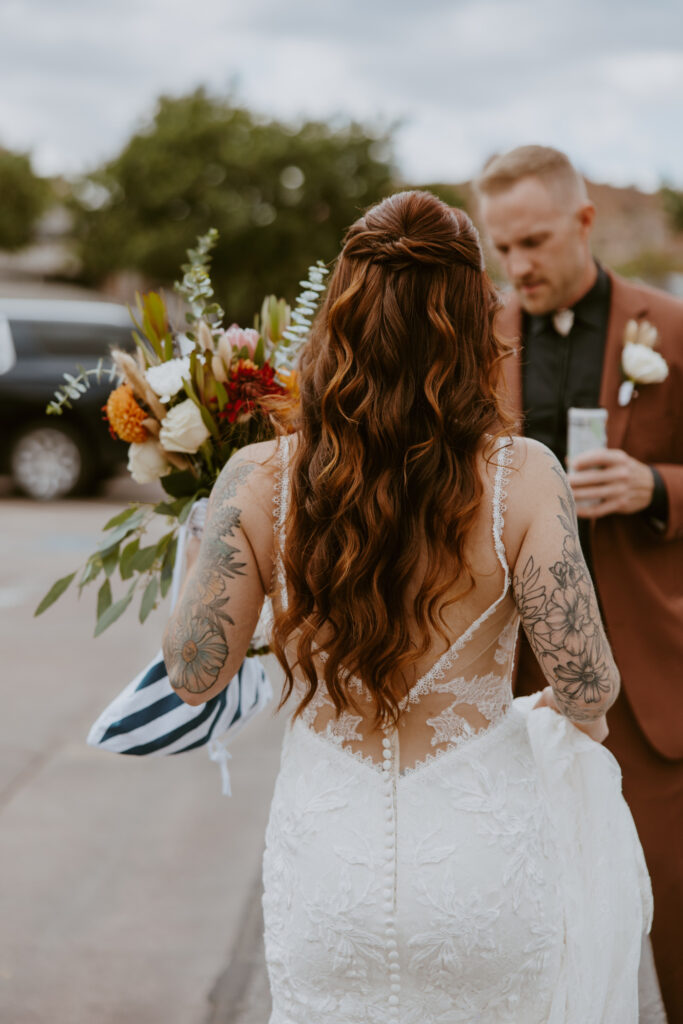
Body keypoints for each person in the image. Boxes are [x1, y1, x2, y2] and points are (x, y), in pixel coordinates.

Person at [163, 190, 650, 1023]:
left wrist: (195, 540)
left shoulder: (258, 477)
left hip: (331, 862)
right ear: (473, 319)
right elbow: (586, 686)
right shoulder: (521, 476)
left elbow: (194, 673)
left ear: (340, 317)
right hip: (481, 858)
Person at [475, 145, 683, 1022]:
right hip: (514, 690)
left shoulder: (669, 330)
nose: (517, 265)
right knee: (533, 930)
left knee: (673, 924)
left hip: (652, 691)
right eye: (502, 246)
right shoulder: (480, 338)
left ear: (584, 222)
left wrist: (657, 486)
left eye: (533, 241)